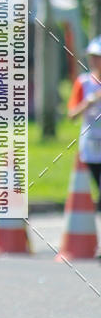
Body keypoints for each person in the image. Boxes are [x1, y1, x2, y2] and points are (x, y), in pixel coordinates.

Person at [67, 36, 101, 210]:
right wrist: (88, 103)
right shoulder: (84, 82)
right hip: (90, 145)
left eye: (98, 57)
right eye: (93, 57)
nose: (95, 61)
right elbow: (71, 114)